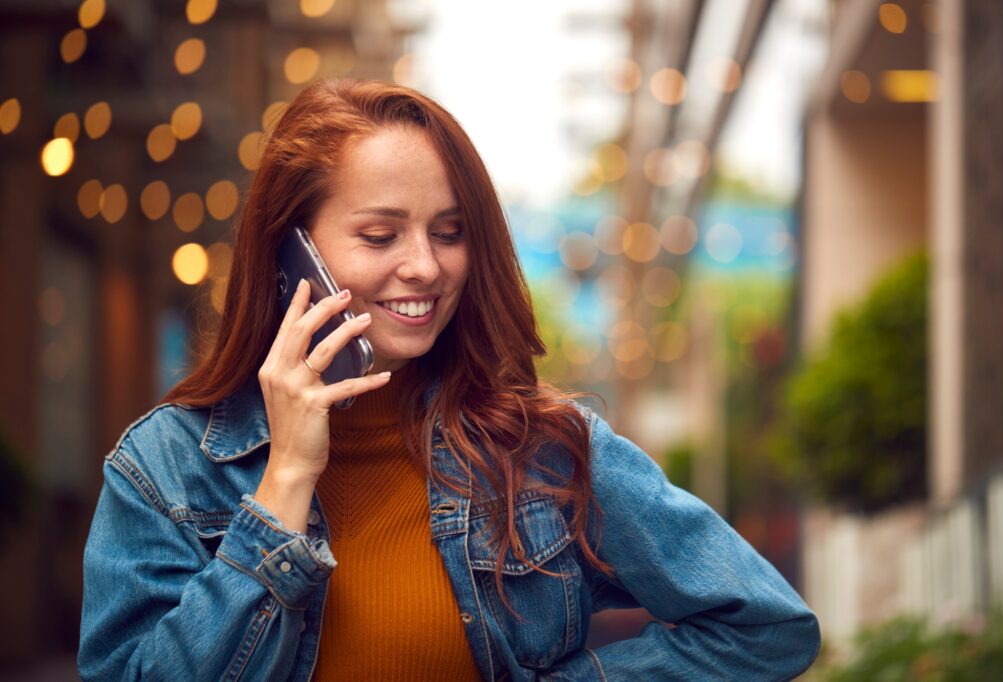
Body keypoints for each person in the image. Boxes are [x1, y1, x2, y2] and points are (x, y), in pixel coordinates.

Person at [78, 78, 820, 681]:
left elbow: (764, 626)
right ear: (290, 252)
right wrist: (281, 491)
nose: (427, 266)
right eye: (380, 234)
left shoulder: (541, 450)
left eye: (449, 230)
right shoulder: (163, 470)